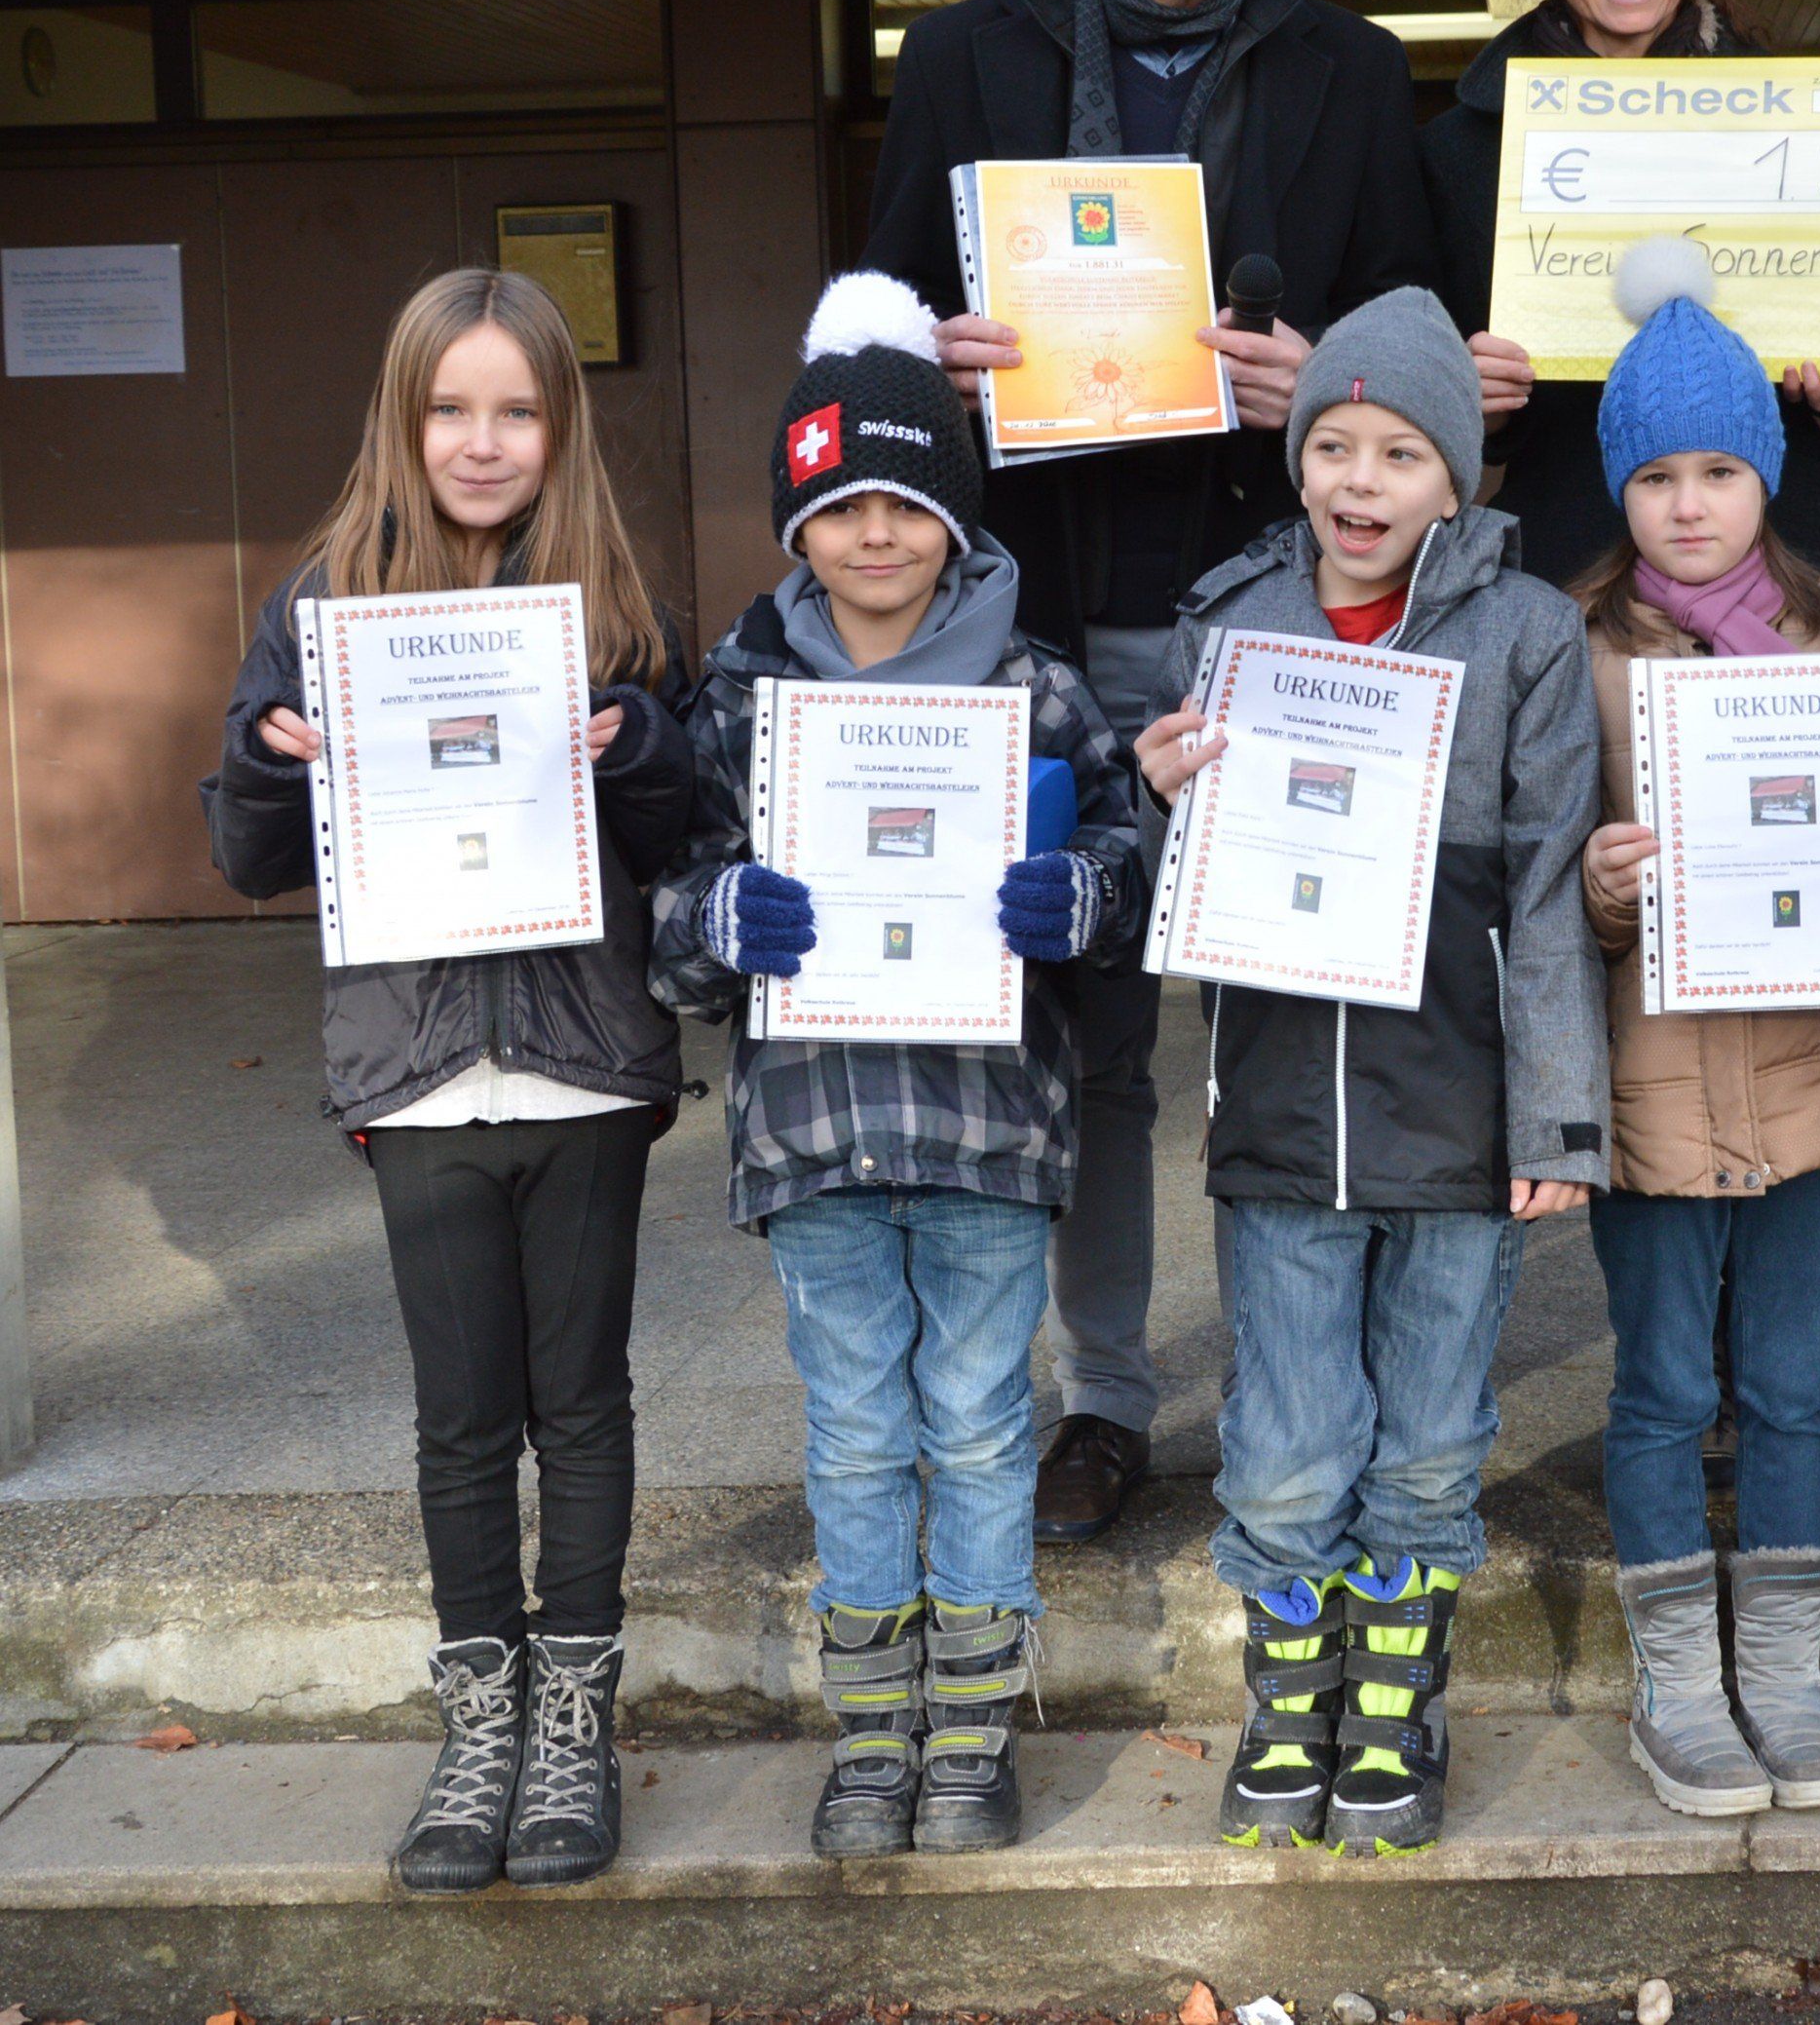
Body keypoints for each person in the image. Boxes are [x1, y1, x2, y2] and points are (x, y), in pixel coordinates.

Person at [862, 0, 1439, 1542]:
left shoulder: (1354, 73)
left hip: (1278, 614)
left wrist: (1325, 386)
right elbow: (871, 331)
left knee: (1295, 1002)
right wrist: (926, 358)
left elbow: (1408, 350)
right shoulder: (961, 61)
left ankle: (1300, 1381)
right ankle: (1104, 1391)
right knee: (1090, 1028)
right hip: (1044, 615)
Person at [201, 267, 694, 1895]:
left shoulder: (614, 599)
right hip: (417, 1071)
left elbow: (687, 829)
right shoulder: (322, 601)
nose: (483, 442)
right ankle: (479, 1725)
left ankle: (574, 1729)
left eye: (518, 409)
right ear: (405, 420)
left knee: (585, 1401)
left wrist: (640, 751)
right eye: (452, 408)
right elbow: (244, 847)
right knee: (464, 1418)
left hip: (580, 1065)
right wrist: (276, 762)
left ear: (560, 425)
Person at [649, 273, 1142, 1859]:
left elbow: (1133, 858)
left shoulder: (1035, 687)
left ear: (952, 509)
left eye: (907, 501)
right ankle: (874, 1733)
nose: (875, 533)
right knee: (858, 1431)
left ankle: (974, 1732)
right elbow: (665, 917)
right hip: (812, 1131)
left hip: (990, 1127)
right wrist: (723, 914)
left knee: (985, 1424)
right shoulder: (736, 699)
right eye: (841, 504)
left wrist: (1079, 896)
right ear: (799, 520)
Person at [1133, 287, 1610, 1857]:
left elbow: (1547, 893)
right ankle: (1292, 1706)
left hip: (1461, 1115)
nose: (1358, 478)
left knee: (1424, 1437)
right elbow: (1172, 888)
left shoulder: (1529, 630)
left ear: (1455, 476)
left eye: (1401, 449)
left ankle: (1396, 1708)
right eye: (1332, 441)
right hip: (1279, 1113)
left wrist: (1557, 1118)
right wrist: (1160, 802)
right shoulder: (1230, 620)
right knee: (1282, 1444)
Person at [1569, 243, 1820, 1818]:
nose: (1689, 502)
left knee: (1794, 1383)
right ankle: (1681, 1684)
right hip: (1653, 1086)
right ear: (1621, 483)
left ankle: (1784, 1672)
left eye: (1723, 468)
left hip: (1811, 1076)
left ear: (1767, 474)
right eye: (1658, 472)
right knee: (1668, 1382)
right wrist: (1604, 889)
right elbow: (1543, 881)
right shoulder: (1582, 646)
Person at [1418, 0, 1820, 592]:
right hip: (1567, 569)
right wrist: (1463, 397)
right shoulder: (1455, 151)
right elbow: (1421, 404)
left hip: (1787, 562)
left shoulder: (1805, 132)